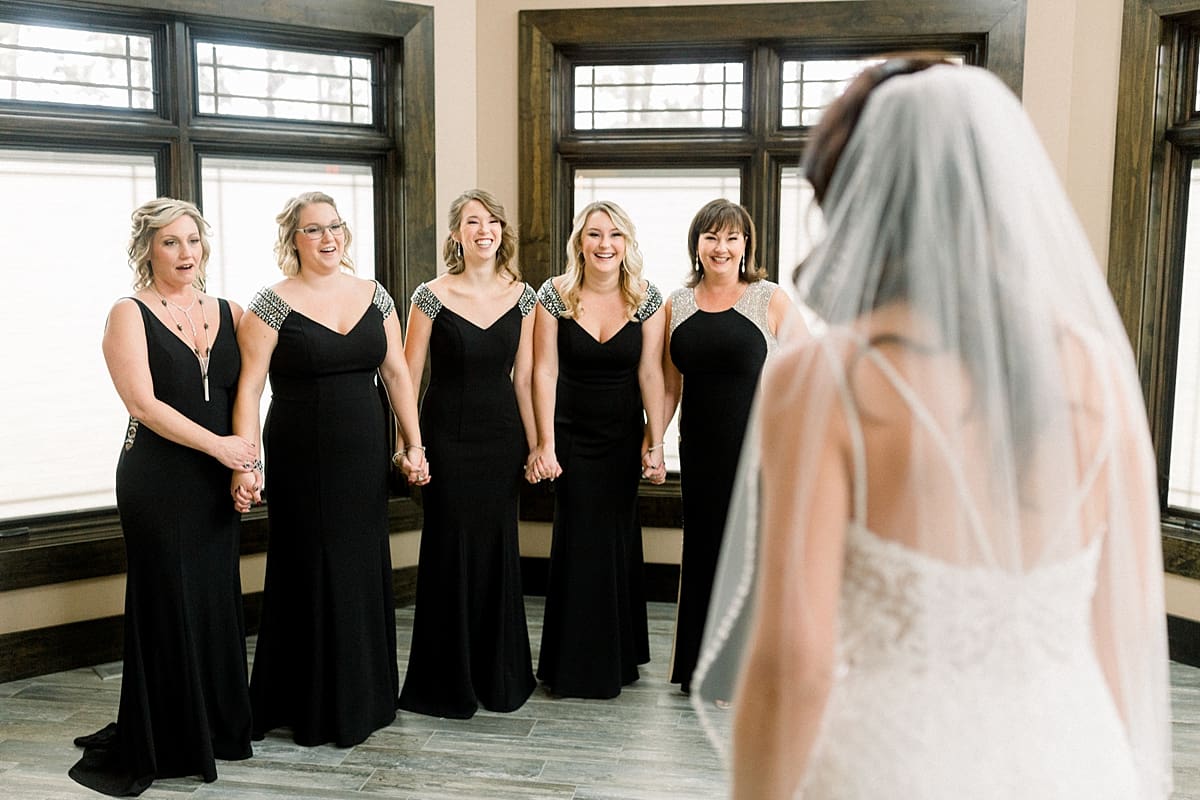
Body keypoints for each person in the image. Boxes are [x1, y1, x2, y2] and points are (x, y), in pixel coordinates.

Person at [691, 59, 1173, 798]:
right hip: (1075, 759)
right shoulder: (1100, 372)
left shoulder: (824, 379)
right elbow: (1123, 637)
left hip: (894, 764)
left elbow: (795, 661)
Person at [70, 198, 257, 796]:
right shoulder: (128, 313)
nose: (185, 254)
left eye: (194, 241)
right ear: (147, 248)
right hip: (157, 478)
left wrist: (245, 465)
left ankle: (220, 728)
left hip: (215, 475)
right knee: (169, 599)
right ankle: (170, 737)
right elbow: (143, 406)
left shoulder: (231, 310)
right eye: (171, 242)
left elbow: (246, 392)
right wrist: (222, 449)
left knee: (214, 598)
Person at [232, 190, 426, 748]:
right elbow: (248, 389)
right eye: (314, 230)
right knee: (311, 566)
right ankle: (310, 701)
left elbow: (397, 376)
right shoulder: (271, 303)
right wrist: (248, 461)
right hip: (299, 453)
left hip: (364, 450)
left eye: (335, 227)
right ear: (293, 239)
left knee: (361, 564)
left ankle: (363, 695)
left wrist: (413, 446)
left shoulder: (376, 294)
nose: (328, 238)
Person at [397, 189, 538, 718]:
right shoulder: (429, 295)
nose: (484, 230)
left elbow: (523, 378)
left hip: (502, 439)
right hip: (446, 438)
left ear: (503, 231)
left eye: (492, 221)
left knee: (499, 548)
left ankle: (499, 676)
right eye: (472, 222)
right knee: (449, 548)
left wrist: (537, 445)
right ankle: (446, 682)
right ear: (455, 234)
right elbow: (406, 375)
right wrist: (408, 447)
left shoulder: (525, 296)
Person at [528, 200, 667, 699]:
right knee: (580, 540)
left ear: (627, 243)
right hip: (571, 437)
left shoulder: (647, 299)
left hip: (622, 438)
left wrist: (657, 441)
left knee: (614, 540)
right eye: (594, 234)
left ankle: (619, 656)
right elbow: (543, 371)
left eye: (614, 235)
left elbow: (651, 372)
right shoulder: (554, 296)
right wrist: (545, 441)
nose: (604, 244)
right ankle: (576, 665)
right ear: (579, 243)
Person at [662, 199, 797, 695]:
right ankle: (700, 669)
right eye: (711, 237)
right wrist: (652, 441)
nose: (721, 247)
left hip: (757, 448)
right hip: (698, 448)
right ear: (697, 245)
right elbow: (668, 384)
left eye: (732, 238)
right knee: (704, 551)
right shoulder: (677, 303)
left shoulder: (769, 299)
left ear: (746, 245)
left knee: (750, 553)